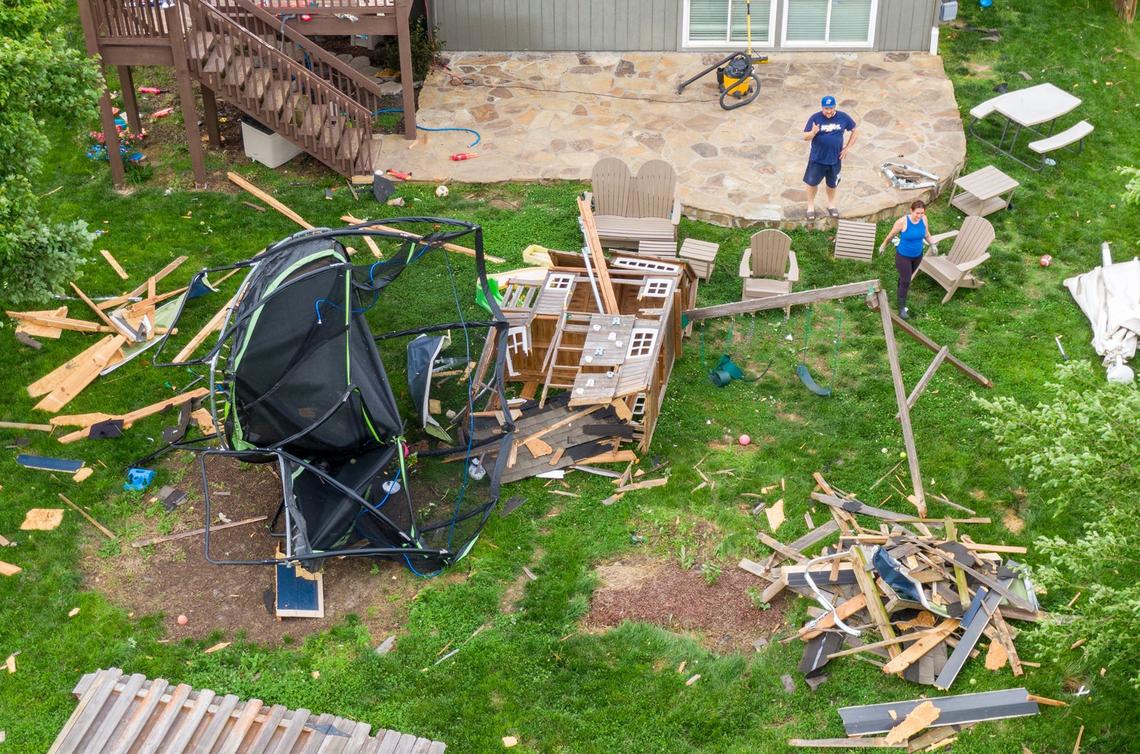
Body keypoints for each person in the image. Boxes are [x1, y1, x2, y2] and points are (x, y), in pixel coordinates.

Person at [802, 95, 858, 221]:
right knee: (812, 183)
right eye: (826, 108)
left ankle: (831, 205)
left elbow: (855, 130)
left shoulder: (843, 117)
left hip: (835, 160)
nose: (828, 111)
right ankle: (810, 206)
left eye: (831, 108)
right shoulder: (815, 118)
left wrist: (848, 147)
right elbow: (805, 137)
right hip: (817, 159)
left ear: (834, 107)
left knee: (832, 185)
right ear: (822, 107)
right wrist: (813, 132)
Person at [879, 199, 935, 320]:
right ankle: (901, 308)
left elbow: (926, 234)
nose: (919, 216)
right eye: (917, 213)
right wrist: (883, 245)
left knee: (905, 277)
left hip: (918, 255)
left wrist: (932, 244)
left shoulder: (924, 219)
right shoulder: (902, 222)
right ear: (911, 211)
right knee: (906, 281)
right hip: (903, 256)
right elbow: (891, 235)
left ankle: (900, 287)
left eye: (922, 213)